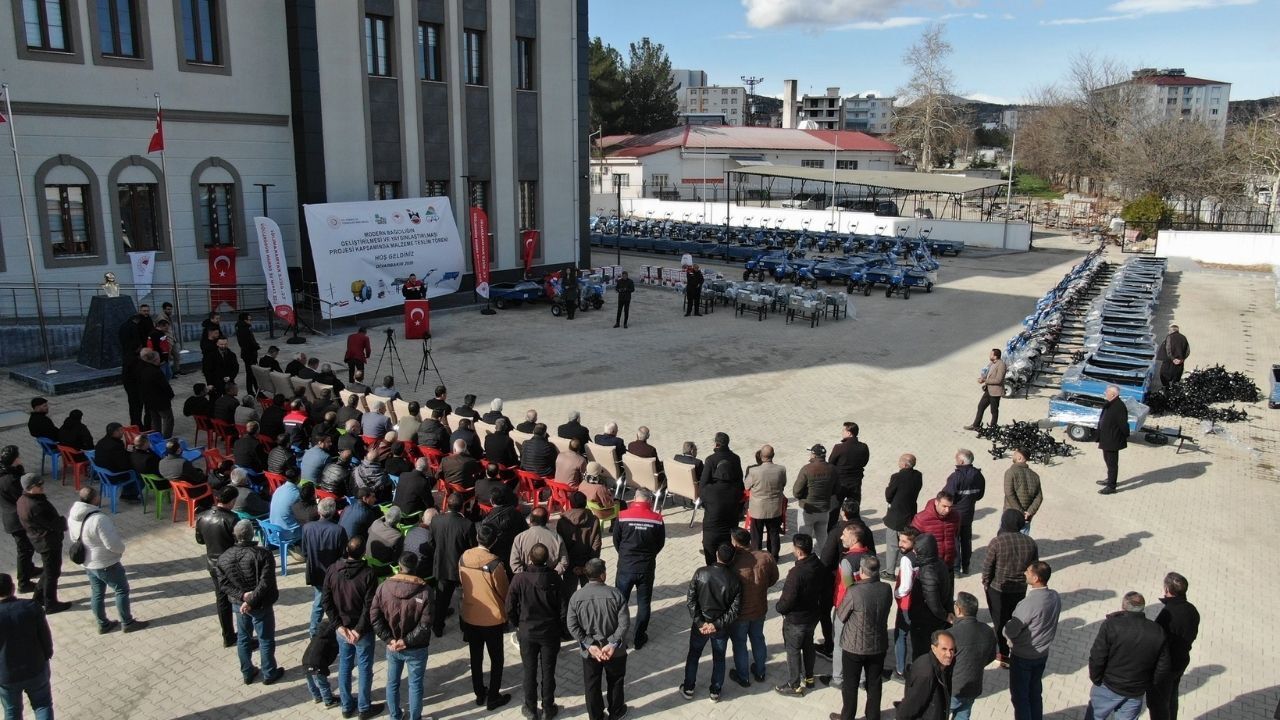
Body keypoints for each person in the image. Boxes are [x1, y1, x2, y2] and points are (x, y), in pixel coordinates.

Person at [68, 486, 148, 633]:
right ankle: (127, 622)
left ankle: (102, 624)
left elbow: (74, 537)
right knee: (121, 590)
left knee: (97, 593)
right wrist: (121, 550)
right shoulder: (99, 519)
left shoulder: (73, 515)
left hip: (88, 563)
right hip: (105, 563)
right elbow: (113, 544)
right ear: (95, 499)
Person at [217, 520, 284, 685]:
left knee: (243, 638)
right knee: (265, 638)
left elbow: (223, 584)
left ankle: (247, 672)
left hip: (239, 604)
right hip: (259, 604)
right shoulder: (262, 554)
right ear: (252, 534)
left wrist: (242, 597)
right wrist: (250, 599)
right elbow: (266, 582)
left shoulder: (224, 557)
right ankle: (269, 672)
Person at [1085, 592, 1171, 720]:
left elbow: (1098, 656)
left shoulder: (1111, 625)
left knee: (1095, 717)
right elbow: (1163, 667)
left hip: (1108, 686)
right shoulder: (1157, 631)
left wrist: (1096, 679)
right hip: (1135, 692)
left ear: (1124, 606)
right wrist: (1147, 685)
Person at [370, 552, 434, 720]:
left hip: (393, 646)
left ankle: (395, 716)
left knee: (392, 683)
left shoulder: (383, 587)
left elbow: (375, 618)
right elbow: (425, 625)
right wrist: (405, 641)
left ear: (399, 567)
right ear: (416, 567)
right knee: (415, 685)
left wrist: (390, 640)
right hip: (416, 647)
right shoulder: (425, 591)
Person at [323, 536, 381, 719]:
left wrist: (339, 626)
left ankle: (347, 706)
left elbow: (326, 602)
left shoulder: (333, 569)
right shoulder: (369, 573)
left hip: (344, 630)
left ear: (347, 550)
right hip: (361, 631)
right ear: (363, 553)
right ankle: (364, 707)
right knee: (364, 668)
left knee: (345, 665)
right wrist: (358, 629)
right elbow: (370, 606)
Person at [566, 558, 630, 720]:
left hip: (590, 653)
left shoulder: (576, 597)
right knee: (615, 681)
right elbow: (624, 624)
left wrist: (589, 644)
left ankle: (595, 716)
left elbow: (572, 625)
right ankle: (616, 711)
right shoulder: (616, 594)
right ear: (602, 575)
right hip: (615, 652)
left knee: (592, 684)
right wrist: (612, 643)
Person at [830, 555, 892, 720]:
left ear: (862, 572)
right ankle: (873, 716)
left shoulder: (854, 591)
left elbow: (841, 615)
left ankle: (847, 716)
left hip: (854, 647)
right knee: (874, 683)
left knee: (850, 685)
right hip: (878, 644)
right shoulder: (886, 589)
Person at [505, 542, 563, 720]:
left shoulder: (519, 579)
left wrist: (517, 623)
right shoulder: (555, 578)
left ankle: (530, 709)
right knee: (548, 671)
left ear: (529, 558)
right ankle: (547, 708)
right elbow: (563, 609)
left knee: (529, 671)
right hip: (549, 632)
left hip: (527, 632)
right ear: (548, 559)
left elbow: (509, 607)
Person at [679, 544, 742, 703]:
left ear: (716, 554)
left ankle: (688, 688)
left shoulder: (701, 573)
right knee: (719, 658)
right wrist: (716, 624)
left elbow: (691, 600)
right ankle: (715, 691)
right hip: (720, 628)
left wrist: (700, 623)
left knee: (694, 655)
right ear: (732, 560)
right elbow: (734, 610)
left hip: (700, 626)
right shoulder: (734, 580)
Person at [459, 524, 512, 710]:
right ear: (494, 541)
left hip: (470, 614)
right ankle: (493, 697)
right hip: (492, 619)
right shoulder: (495, 564)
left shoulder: (464, 557)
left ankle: (479, 693)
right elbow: (504, 591)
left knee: (476, 656)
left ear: (477, 538)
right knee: (496, 658)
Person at [982, 508, 1039, 665]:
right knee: (1014, 618)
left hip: (997, 589)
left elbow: (987, 567)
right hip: (1019, 589)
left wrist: (986, 584)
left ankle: (1003, 653)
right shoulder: (1030, 543)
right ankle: (1014, 646)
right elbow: (1034, 566)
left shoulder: (997, 542)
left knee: (999, 621)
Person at [1005, 561, 1061, 720]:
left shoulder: (1028, 604)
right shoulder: (1055, 596)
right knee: (1035, 693)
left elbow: (1011, 630)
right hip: (1042, 654)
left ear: (1036, 578)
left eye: (1028, 571)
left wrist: (1006, 629)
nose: (1025, 573)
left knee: (1020, 698)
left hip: (1023, 656)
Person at [612, 488, 664, 650]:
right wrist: (649, 555)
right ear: (649, 501)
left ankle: (618, 639)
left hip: (625, 567)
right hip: (646, 568)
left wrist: (624, 555)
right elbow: (660, 543)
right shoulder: (657, 519)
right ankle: (639, 638)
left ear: (635, 498)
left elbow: (616, 540)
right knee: (644, 603)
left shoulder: (622, 516)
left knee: (620, 603)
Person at [774, 533, 825, 697]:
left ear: (798, 551)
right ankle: (809, 677)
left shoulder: (796, 573)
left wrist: (779, 608)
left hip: (796, 620)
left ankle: (794, 685)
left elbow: (788, 600)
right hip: (813, 615)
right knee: (808, 645)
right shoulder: (818, 564)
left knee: (793, 650)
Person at [0, 571, 55, 719]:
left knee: (12, 711)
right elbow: (45, 636)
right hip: (35, 667)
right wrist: (47, 654)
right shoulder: (31, 606)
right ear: (13, 588)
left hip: (6, 674)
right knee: (43, 705)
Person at [728, 528, 778, 688]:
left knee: (740, 643)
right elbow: (774, 578)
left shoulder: (732, 562)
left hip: (740, 613)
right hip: (759, 608)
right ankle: (760, 672)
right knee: (758, 639)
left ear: (735, 543)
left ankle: (743, 677)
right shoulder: (765, 556)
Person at [827, 522, 875, 689]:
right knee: (860, 643)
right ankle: (862, 679)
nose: (841, 537)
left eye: (845, 535)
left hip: (845, 607)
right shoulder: (870, 556)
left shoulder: (847, 561)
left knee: (839, 643)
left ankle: (838, 678)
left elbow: (848, 587)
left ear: (854, 539)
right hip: (866, 606)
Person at [1147, 572, 1199, 720]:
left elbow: (1156, 642)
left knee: (1158, 703)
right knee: (1172, 697)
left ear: (1167, 590)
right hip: (1180, 662)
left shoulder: (1167, 614)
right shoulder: (1192, 610)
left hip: (1165, 668)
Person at [16, 474, 70, 613]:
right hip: (48, 543)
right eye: (38, 485)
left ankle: (39, 597)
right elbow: (54, 523)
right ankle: (51, 604)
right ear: (30, 487)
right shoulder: (36, 506)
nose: (42, 487)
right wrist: (64, 522)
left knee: (48, 570)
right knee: (52, 573)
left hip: (39, 540)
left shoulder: (22, 500)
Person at [196, 487, 241, 646]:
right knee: (239, 599)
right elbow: (239, 543)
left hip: (213, 565)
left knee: (222, 600)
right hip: (231, 566)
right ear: (232, 501)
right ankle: (243, 636)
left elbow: (200, 540)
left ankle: (228, 635)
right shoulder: (232, 519)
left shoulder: (202, 517)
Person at [431, 493, 476, 637]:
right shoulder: (467, 524)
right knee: (463, 599)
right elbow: (472, 548)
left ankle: (438, 628)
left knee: (441, 599)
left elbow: (432, 542)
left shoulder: (436, 520)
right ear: (462, 507)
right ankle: (465, 629)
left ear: (447, 506)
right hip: (460, 569)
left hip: (442, 566)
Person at [303, 497, 348, 636]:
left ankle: (315, 632)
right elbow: (344, 555)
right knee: (324, 603)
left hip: (315, 572)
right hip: (333, 574)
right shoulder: (338, 530)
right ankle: (318, 632)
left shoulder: (307, 527)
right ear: (334, 512)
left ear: (319, 511)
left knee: (320, 603)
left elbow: (305, 552)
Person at [949, 592, 997, 720]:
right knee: (963, 716)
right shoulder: (987, 630)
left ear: (958, 609)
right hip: (973, 687)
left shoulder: (950, 635)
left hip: (953, 689)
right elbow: (991, 656)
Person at [908, 531, 952, 663]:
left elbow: (933, 604)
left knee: (922, 653)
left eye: (916, 550)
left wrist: (945, 616)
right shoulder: (939, 563)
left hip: (925, 621)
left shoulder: (928, 572)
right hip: (933, 619)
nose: (914, 552)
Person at [699, 432, 743, 565]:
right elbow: (740, 481)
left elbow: (703, 484)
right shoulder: (735, 458)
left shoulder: (710, 460)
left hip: (712, 525)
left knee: (711, 558)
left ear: (716, 443)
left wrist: (709, 503)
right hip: (731, 521)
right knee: (728, 554)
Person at [0, 449, 39, 595]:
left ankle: (30, 569)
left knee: (27, 549)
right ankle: (23, 583)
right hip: (17, 520)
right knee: (24, 551)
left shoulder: (7, 474)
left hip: (12, 516)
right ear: (14, 459)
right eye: (18, 457)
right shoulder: (10, 480)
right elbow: (22, 497)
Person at [943, 449, 986, 574]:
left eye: (957, 458)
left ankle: (956, 568)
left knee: (955, 540)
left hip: (955, 514)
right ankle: (966, 566)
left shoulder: (955, 477)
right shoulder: (978, 475)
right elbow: (980, 495)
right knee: (966, 540)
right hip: (969, 512)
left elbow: (947, 496)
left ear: (961, 461)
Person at [897, 630, 956, 720]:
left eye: (951, 649)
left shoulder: (944, 665)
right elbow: (909, 707)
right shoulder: (926, 674)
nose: (949, 654)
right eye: (944, 649)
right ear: (934, 648)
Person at [743, 444, 786, 559]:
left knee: (756, 535)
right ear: (773, 455)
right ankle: (774, 557)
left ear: (761, 456)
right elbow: (783, 484)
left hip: (758, 509)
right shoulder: (781, 469)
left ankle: (757, 557)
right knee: (774, 534)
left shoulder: (753, 471)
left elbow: (746, 486)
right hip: (774, 508)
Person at [557, 491, 603, 596]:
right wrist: (591, 563)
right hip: (588, 562)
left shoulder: (562, 521)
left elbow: (561, 544)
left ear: (570, 504)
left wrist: (566, 562)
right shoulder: (594, 520)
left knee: (568, 594)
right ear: (585, 503)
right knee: (589, 595)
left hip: (569, 562)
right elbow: (596, 544)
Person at [792, 443, 835, 553]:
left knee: (804, 540)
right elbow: (836, 489)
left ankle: (806, 560)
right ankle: (826, 559)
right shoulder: (832, 469)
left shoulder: (806, 469)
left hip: (808, 510)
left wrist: (803, 498)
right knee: (823, 538)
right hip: (824, 510)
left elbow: (796, 492)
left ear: (814, 455)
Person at [828, 421, 869, 526]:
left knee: (834, 509)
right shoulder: (863, 447)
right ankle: (855, 527)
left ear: (849, 433)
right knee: (854, 508)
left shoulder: (839, 447)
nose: (842, 432)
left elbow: (831, 463)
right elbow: (864, 462)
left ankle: (831, 529)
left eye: (844, 430)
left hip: (840, 484)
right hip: (855, 482)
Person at [511, 507, 568, 575]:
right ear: (547, 519)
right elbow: (564, 562)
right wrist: (553, 575)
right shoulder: (557, 538)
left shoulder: (519, 538)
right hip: (550, 579)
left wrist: (525, 577)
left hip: (526, 577)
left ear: (530, 519)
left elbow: (514, 564)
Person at [912, 491, 959, 569]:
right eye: (944, 506)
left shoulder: (955, 516)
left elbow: (956, 534)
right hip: (930, 565)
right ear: (936, 502)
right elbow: (913, 541)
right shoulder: (921, 518)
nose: (947, 510)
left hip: (949, 562)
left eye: (950, 507)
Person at [1097, 385, 1130, 495]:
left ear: (1113, 394)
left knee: (1112, 464)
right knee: (1107, 460)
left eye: (1107, 392)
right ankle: (1109, 479)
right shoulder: (1110, 403)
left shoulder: (1119, 407)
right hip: (1106, 438)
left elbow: (1123, 425)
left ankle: (1111, 486)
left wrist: (1124, 436)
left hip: (1113, 440)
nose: (1105, 393)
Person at [965, 348, 1007, 430]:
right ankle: (975, 425)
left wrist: (985, 380)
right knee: (981, 406)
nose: (989, 355)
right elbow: (986, 373)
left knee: (994, 410)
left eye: (991, 354)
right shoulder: (991, 363)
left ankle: (993, 426)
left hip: (995, 392)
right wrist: (982, 378)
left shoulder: (1001, 365)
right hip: (988, 390)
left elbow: (999, 380)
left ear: (995, 356)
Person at [1003, 448, 1043, 535]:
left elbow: (1009, 493)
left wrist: (1020, 511)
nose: (1013, 455)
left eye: (1015, 453)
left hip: (1010, 515)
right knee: (1023, 541)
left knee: (1006, 540)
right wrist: (1029, 512)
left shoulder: (1011, 472)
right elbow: (1039, 497)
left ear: (1020, 457)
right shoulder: (1035, 475)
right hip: (1026, 517)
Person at [303, 618, 341, 709]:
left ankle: (316, 696)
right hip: (317, 665)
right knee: (322, 683)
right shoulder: (329, 641)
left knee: (311, 682)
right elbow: (331, 656)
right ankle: (328, 701)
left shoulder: (315, 637)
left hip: (305, 662)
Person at [235, 313, 260, 393]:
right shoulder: (244, 329)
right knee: (251, 374)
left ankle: (254, 391)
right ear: (244, 320)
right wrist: (257, 346)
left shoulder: (241, 327)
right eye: (249, 319)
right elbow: (249, 342)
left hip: (247, 354)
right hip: (249, 354)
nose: (250, 321)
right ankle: (252, 391)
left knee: (251, 374)